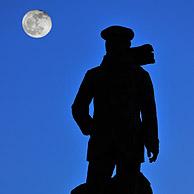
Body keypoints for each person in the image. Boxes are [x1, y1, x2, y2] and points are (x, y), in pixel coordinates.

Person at [71, 26, 159, 194]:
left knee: (128, 188)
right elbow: (78, 108)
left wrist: (152, 140)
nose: (113, 47)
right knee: (96, 187)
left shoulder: (139, 76)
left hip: (130, 141)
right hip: (105, 142)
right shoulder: (95, 75)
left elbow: (149, 111)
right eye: (112, 43)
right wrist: (91, 128)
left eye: (119, 43)